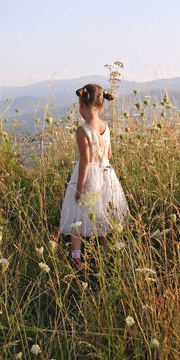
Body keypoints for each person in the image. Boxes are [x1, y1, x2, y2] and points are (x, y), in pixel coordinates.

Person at [58, 83, 130, 271]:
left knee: (77, 215)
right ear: (102, 105)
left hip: (88, 175)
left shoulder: (82, 131)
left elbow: (85, 161)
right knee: (103, 215)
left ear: (81, 105)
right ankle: (104, 255)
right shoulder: (106, 128)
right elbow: (109, 154)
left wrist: (79, 187)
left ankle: (76, 257)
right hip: (106, 175)